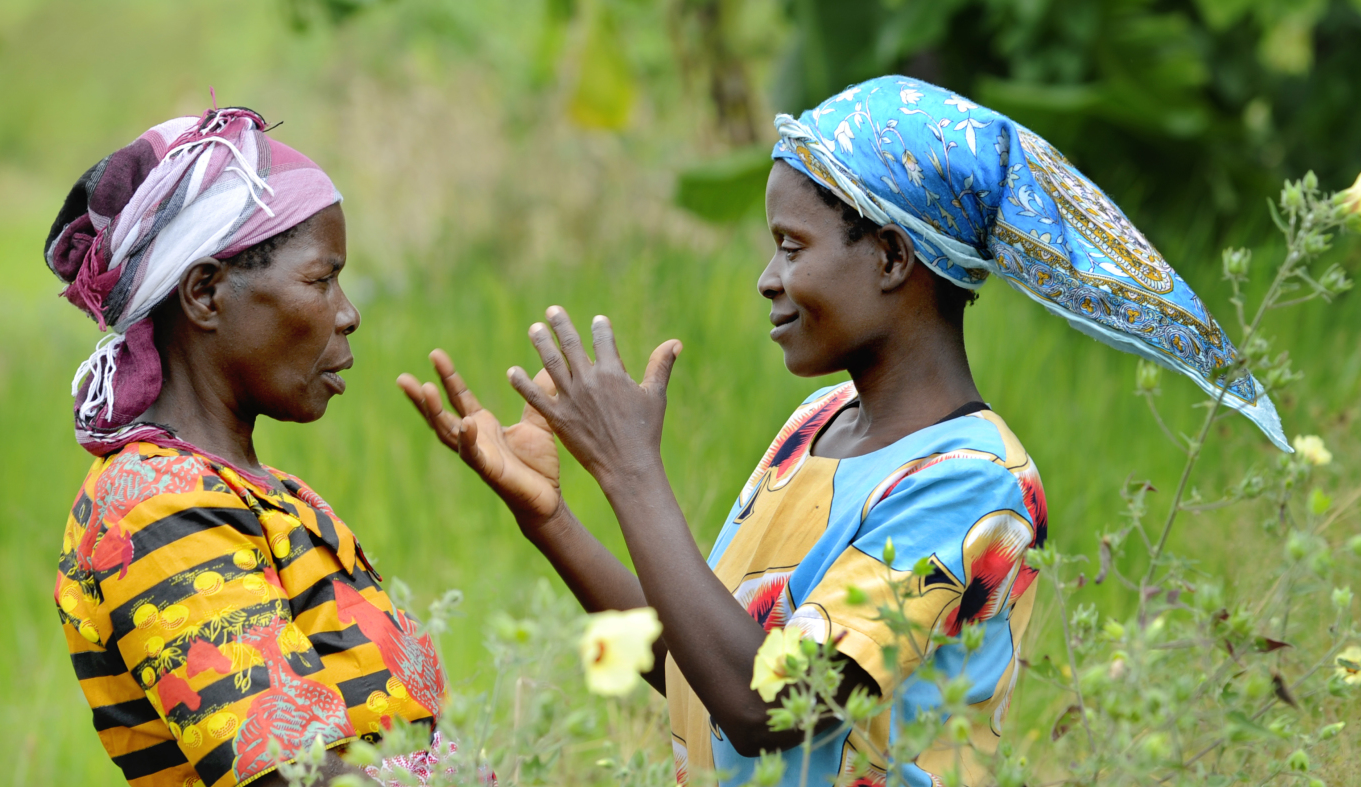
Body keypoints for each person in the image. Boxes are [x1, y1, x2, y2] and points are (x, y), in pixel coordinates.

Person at [400, 76, 1287, 786]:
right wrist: (550, 515)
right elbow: (701, 661)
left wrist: (634, 472)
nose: (766, 278)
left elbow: (773, 707)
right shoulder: (815, 428)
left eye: (791, 246)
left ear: (896, 258)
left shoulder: (975, 486)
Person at [50, 107, 447, 787]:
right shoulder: (154, 506)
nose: (347, 312)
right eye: (321, 279)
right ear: (206, 293)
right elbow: (291, 773)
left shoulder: (266, 495)